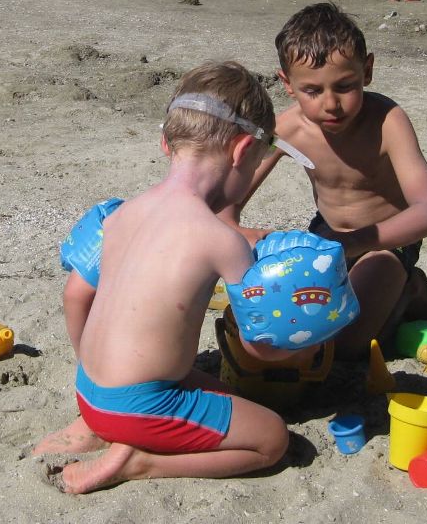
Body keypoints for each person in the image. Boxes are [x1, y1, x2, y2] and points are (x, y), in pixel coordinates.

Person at [41, 62, 295, 494]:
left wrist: (95, 371)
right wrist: (300, 334)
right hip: (140, 406)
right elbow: (258, 347)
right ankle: (138, 462)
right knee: (272, 437)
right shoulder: (221, 240)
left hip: (88, 391)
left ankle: (94, 424)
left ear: (166, 141)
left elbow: (75, 296)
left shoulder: (119, 215)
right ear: (241, 152)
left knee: (214, 392)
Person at [219, 3, 427, 361]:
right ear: (287, 84)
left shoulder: (387, 122)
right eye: (312, 91)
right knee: (291, 328)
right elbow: (228, 200)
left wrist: (356, 243)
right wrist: (244, 234)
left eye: (345, 86)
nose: (331, 104)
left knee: (345, 344)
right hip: (325, 238)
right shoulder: (286, 130)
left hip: (386, 242)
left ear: (367, 70)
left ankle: (410, 289)